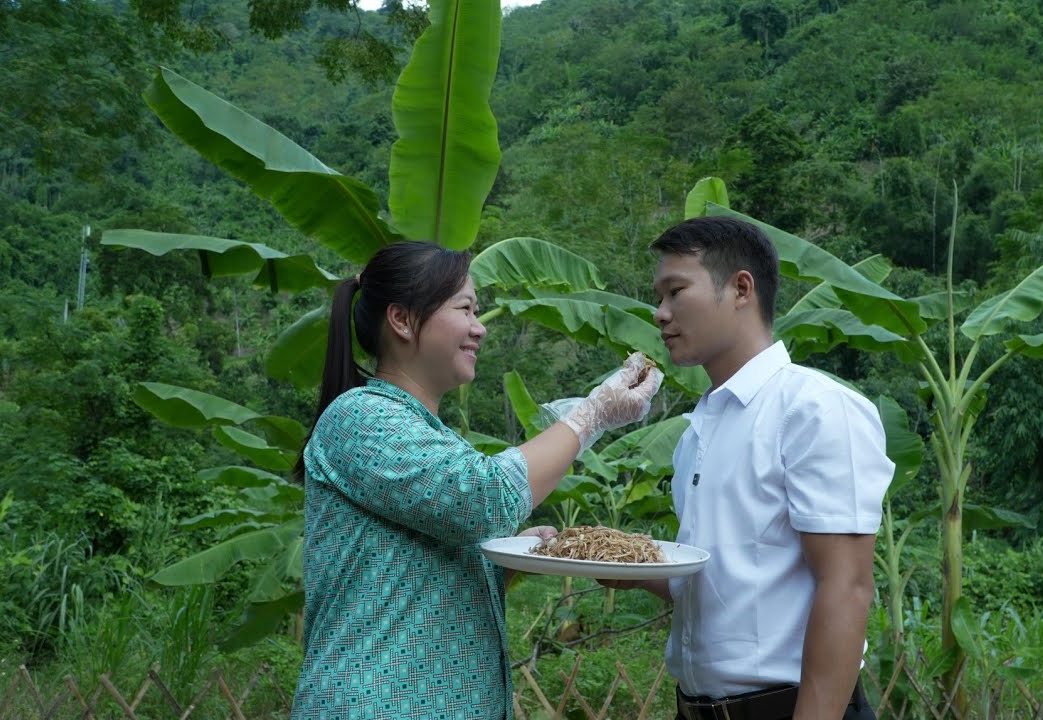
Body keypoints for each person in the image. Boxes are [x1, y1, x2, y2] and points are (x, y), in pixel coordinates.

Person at [290, 241, 663, 719]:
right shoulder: (361, 417)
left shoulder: (433, 437)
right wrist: (592, 414)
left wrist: (506, 559)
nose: (479, 328)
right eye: (465, 309)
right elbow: (484, 499)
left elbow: (418, 576)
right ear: (402, 320)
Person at [608, 216, 893, 720]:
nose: (660, 313)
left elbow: (846, 586)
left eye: (676, 292)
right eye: (659, 297)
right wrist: (622, 564)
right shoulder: (699, 428)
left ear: (741, 288)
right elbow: (725, 583)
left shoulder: (812, 408)